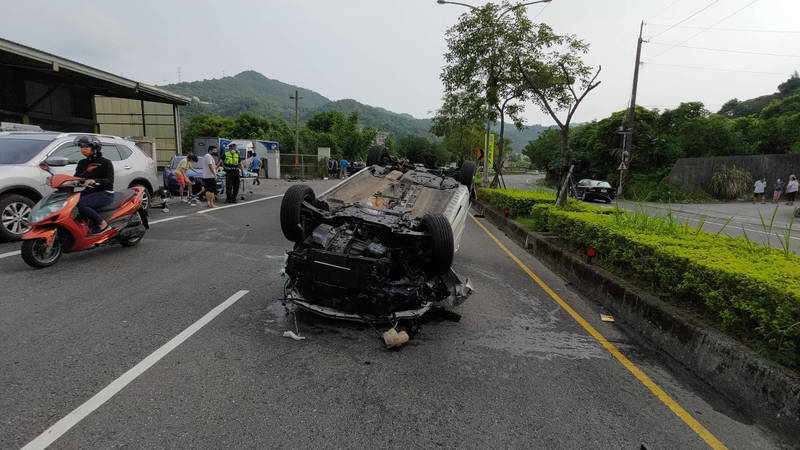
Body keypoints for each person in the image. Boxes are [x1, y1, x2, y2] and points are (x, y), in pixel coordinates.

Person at [73, 136, 114, 233]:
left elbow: (109, 180)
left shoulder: (105, 162)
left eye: (86, 146)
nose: (83, 149)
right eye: (81, 147)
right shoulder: (82, 163)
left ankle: (102, 224)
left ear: (95, 148)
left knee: (81, 204)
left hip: (105, 193)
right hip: (89, 192)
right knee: (68, 202)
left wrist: (94, 181)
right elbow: (76, 177)